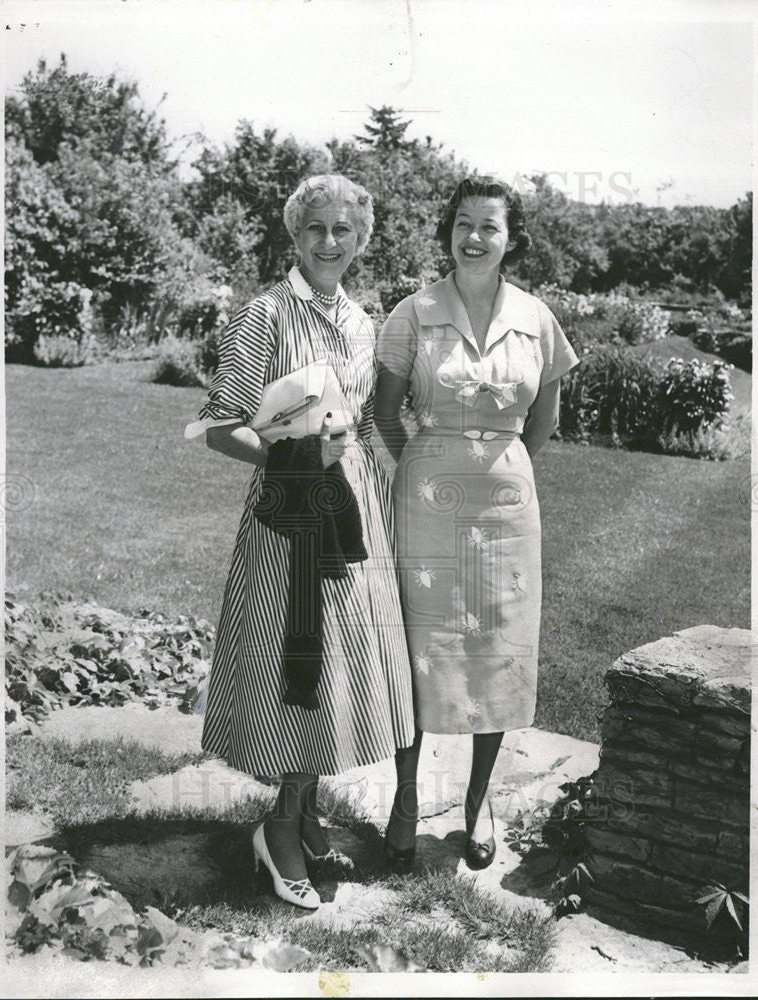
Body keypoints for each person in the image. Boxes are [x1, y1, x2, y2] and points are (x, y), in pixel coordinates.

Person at [193, 174, 415, 908]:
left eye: (342, 231)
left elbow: (361, 423)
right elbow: (223, 426)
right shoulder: (264, 315)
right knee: (299, 661)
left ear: (361, 240)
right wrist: (293, 452)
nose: (329, 243)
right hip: (286, 518)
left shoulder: (360, 319)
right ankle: (278, 830)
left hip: (346, 513)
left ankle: (306, 809)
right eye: (315, 229)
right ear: (294, 235)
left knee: (336, 669)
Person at [374, 176, 579, 870]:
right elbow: (383, 410)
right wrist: (426, 466)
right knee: (421, 650)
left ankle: (478, 802)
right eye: (462, 223)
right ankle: (405, 803)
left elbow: (545, 420)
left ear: (511, 238)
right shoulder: (414, 311)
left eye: (489, 225)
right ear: (449, 232)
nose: (473, 237)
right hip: (426, 506)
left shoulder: (537, 318)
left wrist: (501, 468)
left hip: (506, 509)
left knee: (497, 648)